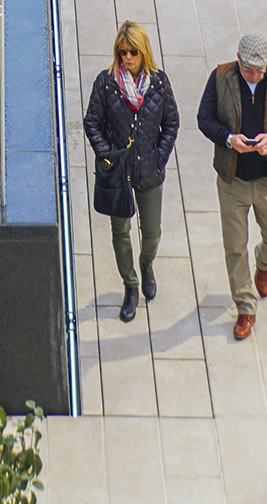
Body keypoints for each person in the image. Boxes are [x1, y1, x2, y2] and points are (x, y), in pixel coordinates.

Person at [197, 32, 267, 341]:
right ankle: (245, 307)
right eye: (249, 69)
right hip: (233, 180)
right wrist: (230, 140)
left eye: (260, 70)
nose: (255, 75)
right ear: (238, 61)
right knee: (234, 245)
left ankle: (264, 263)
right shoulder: (220, 79)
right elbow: (204, 119)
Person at [84, 22, 180, 323]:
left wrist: (159, 158)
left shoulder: (159, 83)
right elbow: (92, 122)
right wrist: (108, 157)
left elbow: (171, 123)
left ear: (144, 52)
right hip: (119, 174)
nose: (127, 57)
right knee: (120, 233)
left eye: (133, 52)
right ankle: (130, 285)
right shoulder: (106, 82)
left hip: (149, 172)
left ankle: (146, 263)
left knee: (151, 233)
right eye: (122, 52)